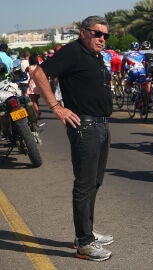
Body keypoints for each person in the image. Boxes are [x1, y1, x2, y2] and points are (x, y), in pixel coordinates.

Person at [32, 15, 113, 262]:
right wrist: (56, 106)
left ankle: (85, 233)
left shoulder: (95, 56)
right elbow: (38, 73)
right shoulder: (73, 52)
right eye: (97, 34)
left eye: (105, 35)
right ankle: (85, 244)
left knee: (95, 182)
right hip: (84, 126)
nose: (102, 39)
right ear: (84, 32)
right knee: (85, 183)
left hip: (101, 124)